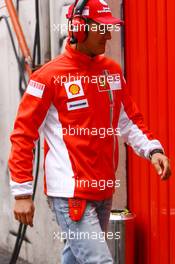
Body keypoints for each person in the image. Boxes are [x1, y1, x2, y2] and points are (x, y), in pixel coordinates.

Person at [8, 0, 171, 263]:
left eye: (110, 28)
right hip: (70, 194)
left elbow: (128, 121)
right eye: (102, 28)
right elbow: (23, 135)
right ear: (78, 28)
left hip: (103, 189)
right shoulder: (47, 78)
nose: (108, 35)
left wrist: (152, 150)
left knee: (75, 258)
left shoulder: (113, 72)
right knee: (99, 261)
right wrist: (22, 194)